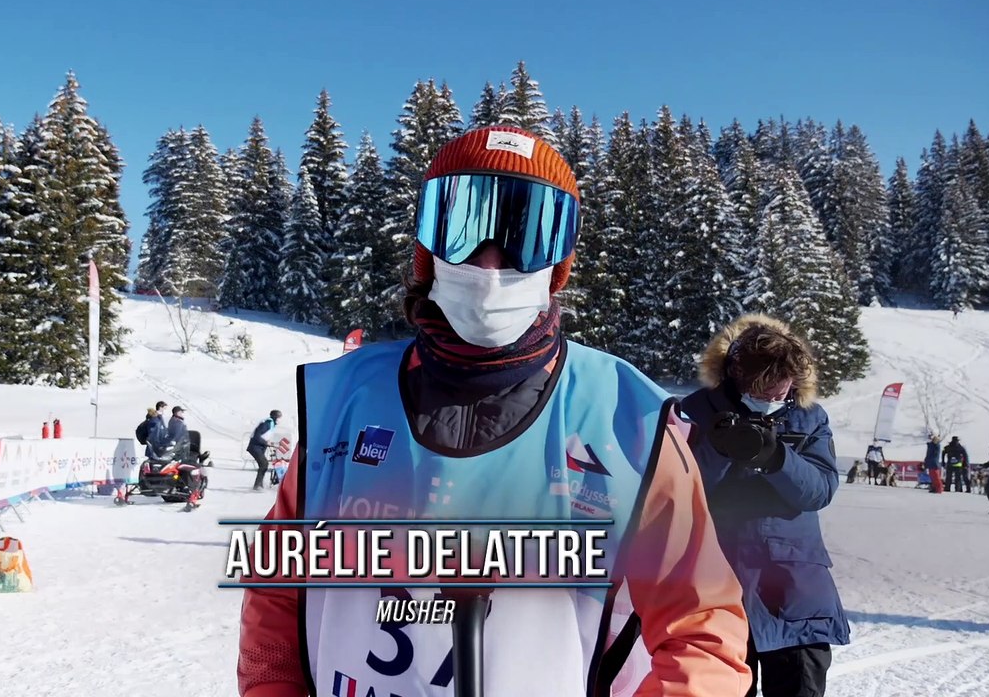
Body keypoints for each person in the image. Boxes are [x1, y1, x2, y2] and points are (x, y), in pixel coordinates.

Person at [237, 126, 750, 697]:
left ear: (559, 265)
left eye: (526, 234)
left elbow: (702, 633)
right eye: (465, 226)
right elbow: (277, 591)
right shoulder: (344, 401)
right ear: (428, 247)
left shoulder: (623, 422)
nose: (489, 262)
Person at [679, 314, 850, 697]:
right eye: (763, 391)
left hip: (794, 590)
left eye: (781, 392)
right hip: (716, 586)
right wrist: (719, 451)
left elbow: (819, 489)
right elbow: (674, 494)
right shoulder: (694, 412)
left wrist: (775, 457)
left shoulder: (810, 418)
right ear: (736, 376)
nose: (773, 400)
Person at [246, 409, 281, 491]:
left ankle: (259, 484)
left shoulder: (271, 424)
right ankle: (257, 486)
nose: (280, 420)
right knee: (264, 464)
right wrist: (266, 443)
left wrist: (269, 443)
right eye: (279, 417)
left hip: (259, 447)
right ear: (275, 417)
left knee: (263, 465)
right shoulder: (267, 423)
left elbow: (264, 436)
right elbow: (257, 436)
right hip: (255, 447)